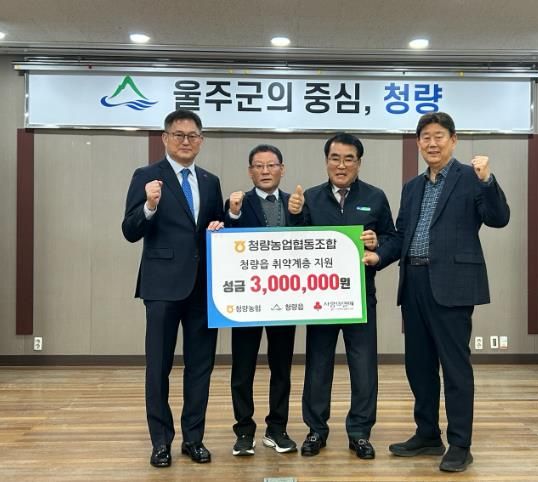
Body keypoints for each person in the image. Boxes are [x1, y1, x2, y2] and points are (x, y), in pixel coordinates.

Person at [367, 112, 510, 472]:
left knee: (455, 367)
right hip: (414, 282)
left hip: (453, 284)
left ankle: (460, 443)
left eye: (439, 136)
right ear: (418, 143)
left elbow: (498, 218)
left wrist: (487, 180)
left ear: (453, 140)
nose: (432, 143)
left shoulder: (471, 178)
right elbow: (401, 236)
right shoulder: (412, 187)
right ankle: (428, 434)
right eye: (425, 137)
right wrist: (378, 255)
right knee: (419, 366)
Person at [121, 109, 224, 468]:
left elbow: (215, 227)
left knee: (200, 367)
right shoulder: (146, 176)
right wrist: (149, 206)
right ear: (165, 138)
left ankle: (193, 439)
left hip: (203, 288)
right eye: (178, 135)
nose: (185, 141)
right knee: (158, 367)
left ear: (201, 140)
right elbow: (130, 230)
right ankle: (161, 441)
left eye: (192, 135)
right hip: (162, 286)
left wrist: (221, 226)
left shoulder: (210, 181)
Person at [287, 132, 397, 460]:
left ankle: (360, 433)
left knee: (363, 367)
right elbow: (294, 243)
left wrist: (378, 249)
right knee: (318, 365)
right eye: (335, 158)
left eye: (349, 159)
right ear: (326, 162)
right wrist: (295, 215)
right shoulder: (311, 197)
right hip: (321, 298)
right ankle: (316, 430)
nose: (341, 165)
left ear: (359, 163)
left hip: (360, 296)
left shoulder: (375, 197)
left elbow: (393, 238)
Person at [224, 144, 297, 456]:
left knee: (281, 368)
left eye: (271, 165)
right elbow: (224, 240)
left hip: (285, 299)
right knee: (243, 368)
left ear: (282, 169)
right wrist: (233, 213)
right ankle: (244, 430)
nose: (265, 171)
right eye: (259, 166)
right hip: (247, 300)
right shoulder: (236, 203)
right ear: (250, 171)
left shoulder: (295, 204)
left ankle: (277, 428)